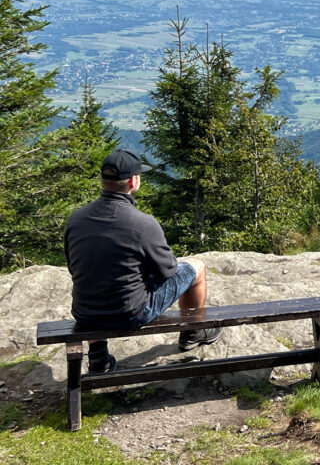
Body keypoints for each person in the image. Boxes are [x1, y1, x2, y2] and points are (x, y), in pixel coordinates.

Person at [64, 149, 222, 373]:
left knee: (96, 277)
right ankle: (193, 332)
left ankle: (98, 357)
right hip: (129, 315)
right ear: (133, 181)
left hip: (85, 311)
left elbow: (74, 267)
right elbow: (168, 271)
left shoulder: (76, 218)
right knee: (196, 267)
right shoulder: (142, 223)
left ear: (103, 180)